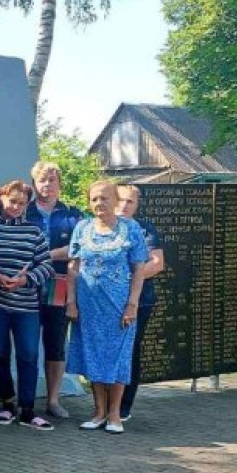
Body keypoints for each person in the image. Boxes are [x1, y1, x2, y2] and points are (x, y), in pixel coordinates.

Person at [66, 180, 149, 433]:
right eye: (94, 199)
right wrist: (71, 302)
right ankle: (99, 412)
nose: (99, 203)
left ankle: (115, 414)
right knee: (92, 355)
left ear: (115, 200)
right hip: (89, 306)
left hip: (118, 307)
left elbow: (139, 268)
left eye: (104, 198)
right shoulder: (82, 228)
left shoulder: (131, 228)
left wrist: (132, 304)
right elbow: (73, 267)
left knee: (117, 357)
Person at [0, 181, 54, 430]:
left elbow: (46, 266)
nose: (16, 207)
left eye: (21, 203)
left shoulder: (34, 232)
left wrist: (26, 279)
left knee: (28, 356)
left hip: (27, 307)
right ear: (2, 199)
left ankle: (28, 409)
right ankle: (7, 403)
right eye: (12, 201)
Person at [26, 161, 84, 418]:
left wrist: (46, 255)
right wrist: (60, 252)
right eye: (42, 180)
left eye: (52, 180)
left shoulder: (72, 215)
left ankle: (52, 400)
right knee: (27, 344)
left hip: (60, 284)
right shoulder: (24, 212)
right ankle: (25, 400)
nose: (47, 185)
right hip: (28, 284)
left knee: (56, 343)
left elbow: (79, 248)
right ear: (34, 184)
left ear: (60, 184)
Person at [117, 184, 166, 422]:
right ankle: (103, 406)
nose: (124, 205)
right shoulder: (98, 228)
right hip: (105, 302)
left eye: (130, 201)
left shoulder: (145, 230)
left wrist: (123, 278)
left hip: (139, 301)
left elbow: (156, 263)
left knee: (130, 350)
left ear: (137, 205)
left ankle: (124, 406)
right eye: (120, 200)